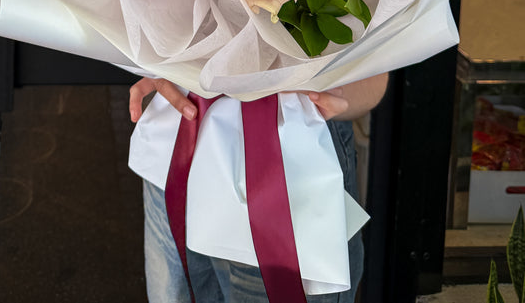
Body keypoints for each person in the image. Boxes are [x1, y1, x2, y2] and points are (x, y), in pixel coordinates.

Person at [129, 73, 388, 303]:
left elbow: (374, 76)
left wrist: (329, 92)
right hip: (175, 147)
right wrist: (156, 64)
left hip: (287, 175)